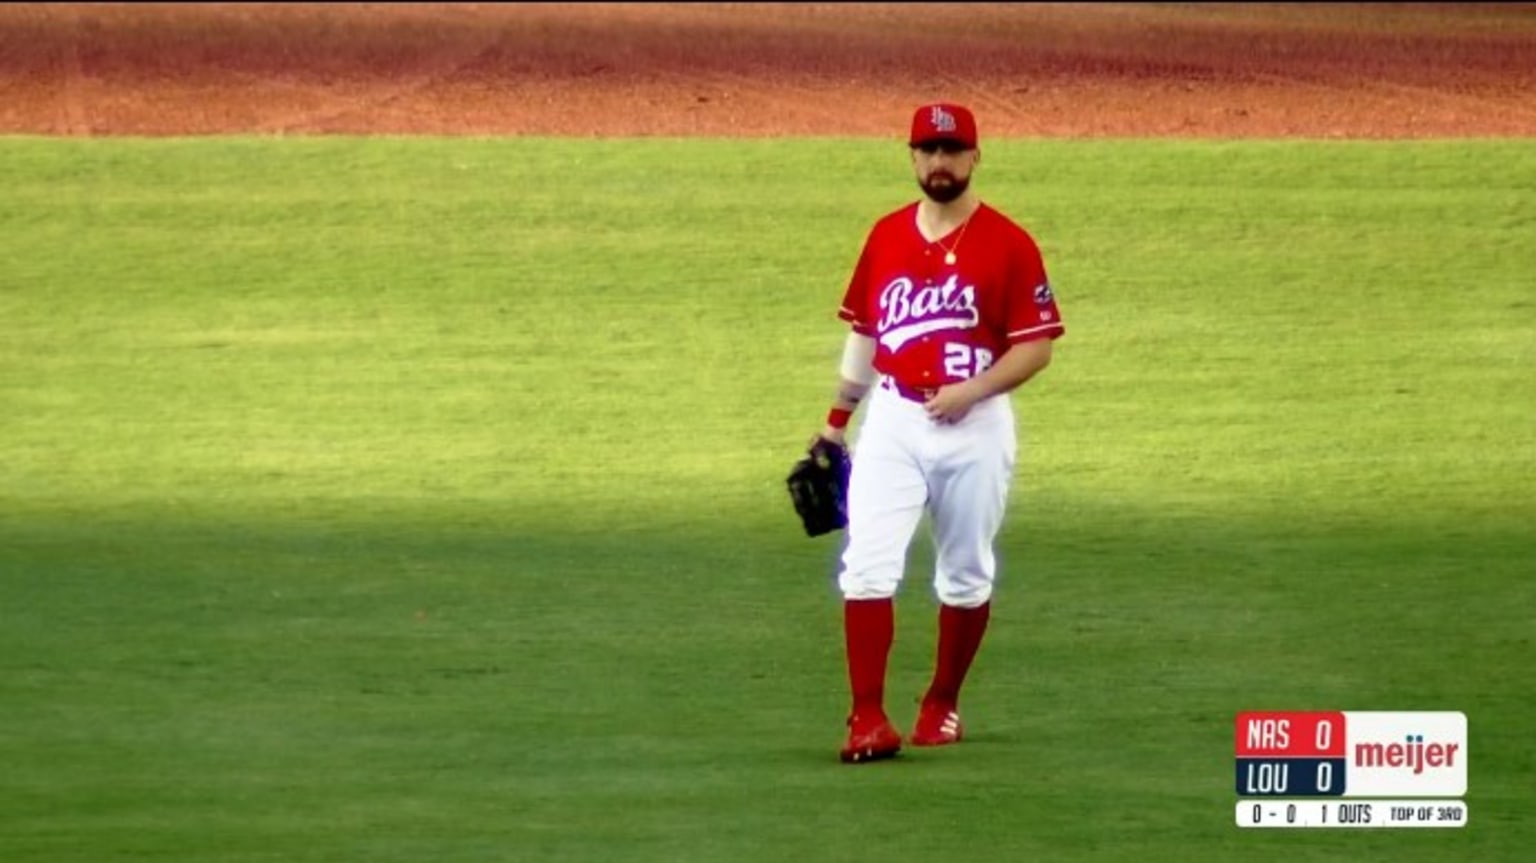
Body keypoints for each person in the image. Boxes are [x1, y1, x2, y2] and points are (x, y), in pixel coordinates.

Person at [814, 103, 1065, 763]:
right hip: (893, 418)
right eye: (928, 150)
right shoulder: (886, 235)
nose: (940, 162)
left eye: (952, 151)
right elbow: (866, 333)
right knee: (865, 565)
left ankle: (942, 700)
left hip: (975, 425)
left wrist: (973, 390)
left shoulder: (1010, 243)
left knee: (965, 573)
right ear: (912, 156)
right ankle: (866, 717)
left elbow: (1036, 346)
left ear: (975, 157)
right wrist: (835, 424)